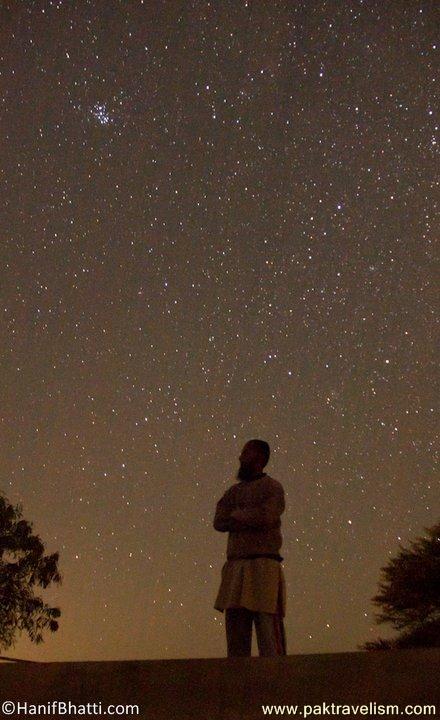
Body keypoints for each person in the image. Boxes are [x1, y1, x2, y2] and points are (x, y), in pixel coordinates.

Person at [213, 439, 287, 657]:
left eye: (245, 452)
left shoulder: (272, 487)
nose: (240, 457)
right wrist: (247, 517)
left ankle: (276, 683)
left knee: (268, 634)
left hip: (264, 566)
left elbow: (267, 516)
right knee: (236, 636)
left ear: (260, 457)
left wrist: (237, 516)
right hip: (236, 567)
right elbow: (219, 521)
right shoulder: (232, 492)